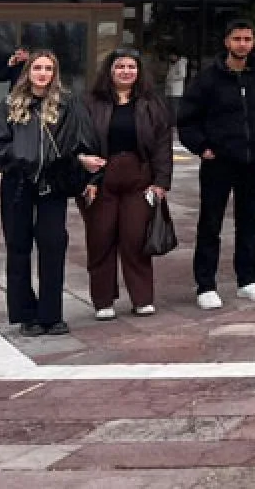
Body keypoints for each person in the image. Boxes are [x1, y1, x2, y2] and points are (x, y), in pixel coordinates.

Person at [0, 50, 100, 336]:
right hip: (17, 185)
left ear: (55, 72)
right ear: (28, 72)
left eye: (48, 68)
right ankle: (26, 314)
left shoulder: (68, 106)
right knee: (18, 248)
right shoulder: (9, 105)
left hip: (52, 185)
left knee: (53, 247)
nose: (43, 73)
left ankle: (51, 314)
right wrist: (21, 156)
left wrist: (85, 170)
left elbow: (82, 143)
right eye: (37, 68)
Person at [177, 20, 255, 310]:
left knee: (248, 222)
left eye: (248, 38)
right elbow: (187, 118)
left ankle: (247, 279)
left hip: (254, 160)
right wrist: (202, 147)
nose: (243, 44)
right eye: (237, 39)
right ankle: (206, 285)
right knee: (211, 223)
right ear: (227, 42)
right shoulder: (208, 78)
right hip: (219, 161)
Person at [80, 49, 173, 320]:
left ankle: (142, 299)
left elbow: (162, 146)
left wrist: (161, 183)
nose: (126, 71)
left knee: (135, 239)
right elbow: (80, 141)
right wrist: (86, 176)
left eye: (131, 66)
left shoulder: (152, 104)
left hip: (138, 180)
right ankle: (103, 301)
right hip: (100, 181)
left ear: (139, 71)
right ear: (109, 70)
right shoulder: (90, 103)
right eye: (120, 66)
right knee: (100, 240)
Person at [165, 50, 187, 121]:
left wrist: (171, 78)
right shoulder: (172, 63)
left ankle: (176, 123)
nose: (170, 57)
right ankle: (172, 122)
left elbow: (182, 75)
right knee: (170, 108)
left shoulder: (181, 63)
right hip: (170, 89)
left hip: (176, 91)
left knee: (175, 108)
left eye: (171, 56)